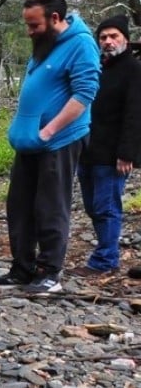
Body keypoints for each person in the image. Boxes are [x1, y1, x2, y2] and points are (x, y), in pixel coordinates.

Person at [0, 0, 100, 294]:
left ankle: (50, 273)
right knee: (19, 205)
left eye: (34, 25)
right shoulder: (44, 45)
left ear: (55, 18)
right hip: (29, 144)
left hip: (59, 142)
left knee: (50, 206)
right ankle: (22, 269)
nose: (29, 32)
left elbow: (84, 94)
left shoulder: (81, 44)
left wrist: (49, 131)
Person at [65, 15, 141, 277]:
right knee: (92, 206)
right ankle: (106, 252)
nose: (108, 42)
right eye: (103, 37)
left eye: (114, 36)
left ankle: (105, 259)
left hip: (113, 154)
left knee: (106, 207)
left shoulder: (133, 69)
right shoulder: (98, 67)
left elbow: (135, 113)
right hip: (89, 150)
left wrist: (127, 153)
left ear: (126, 40)